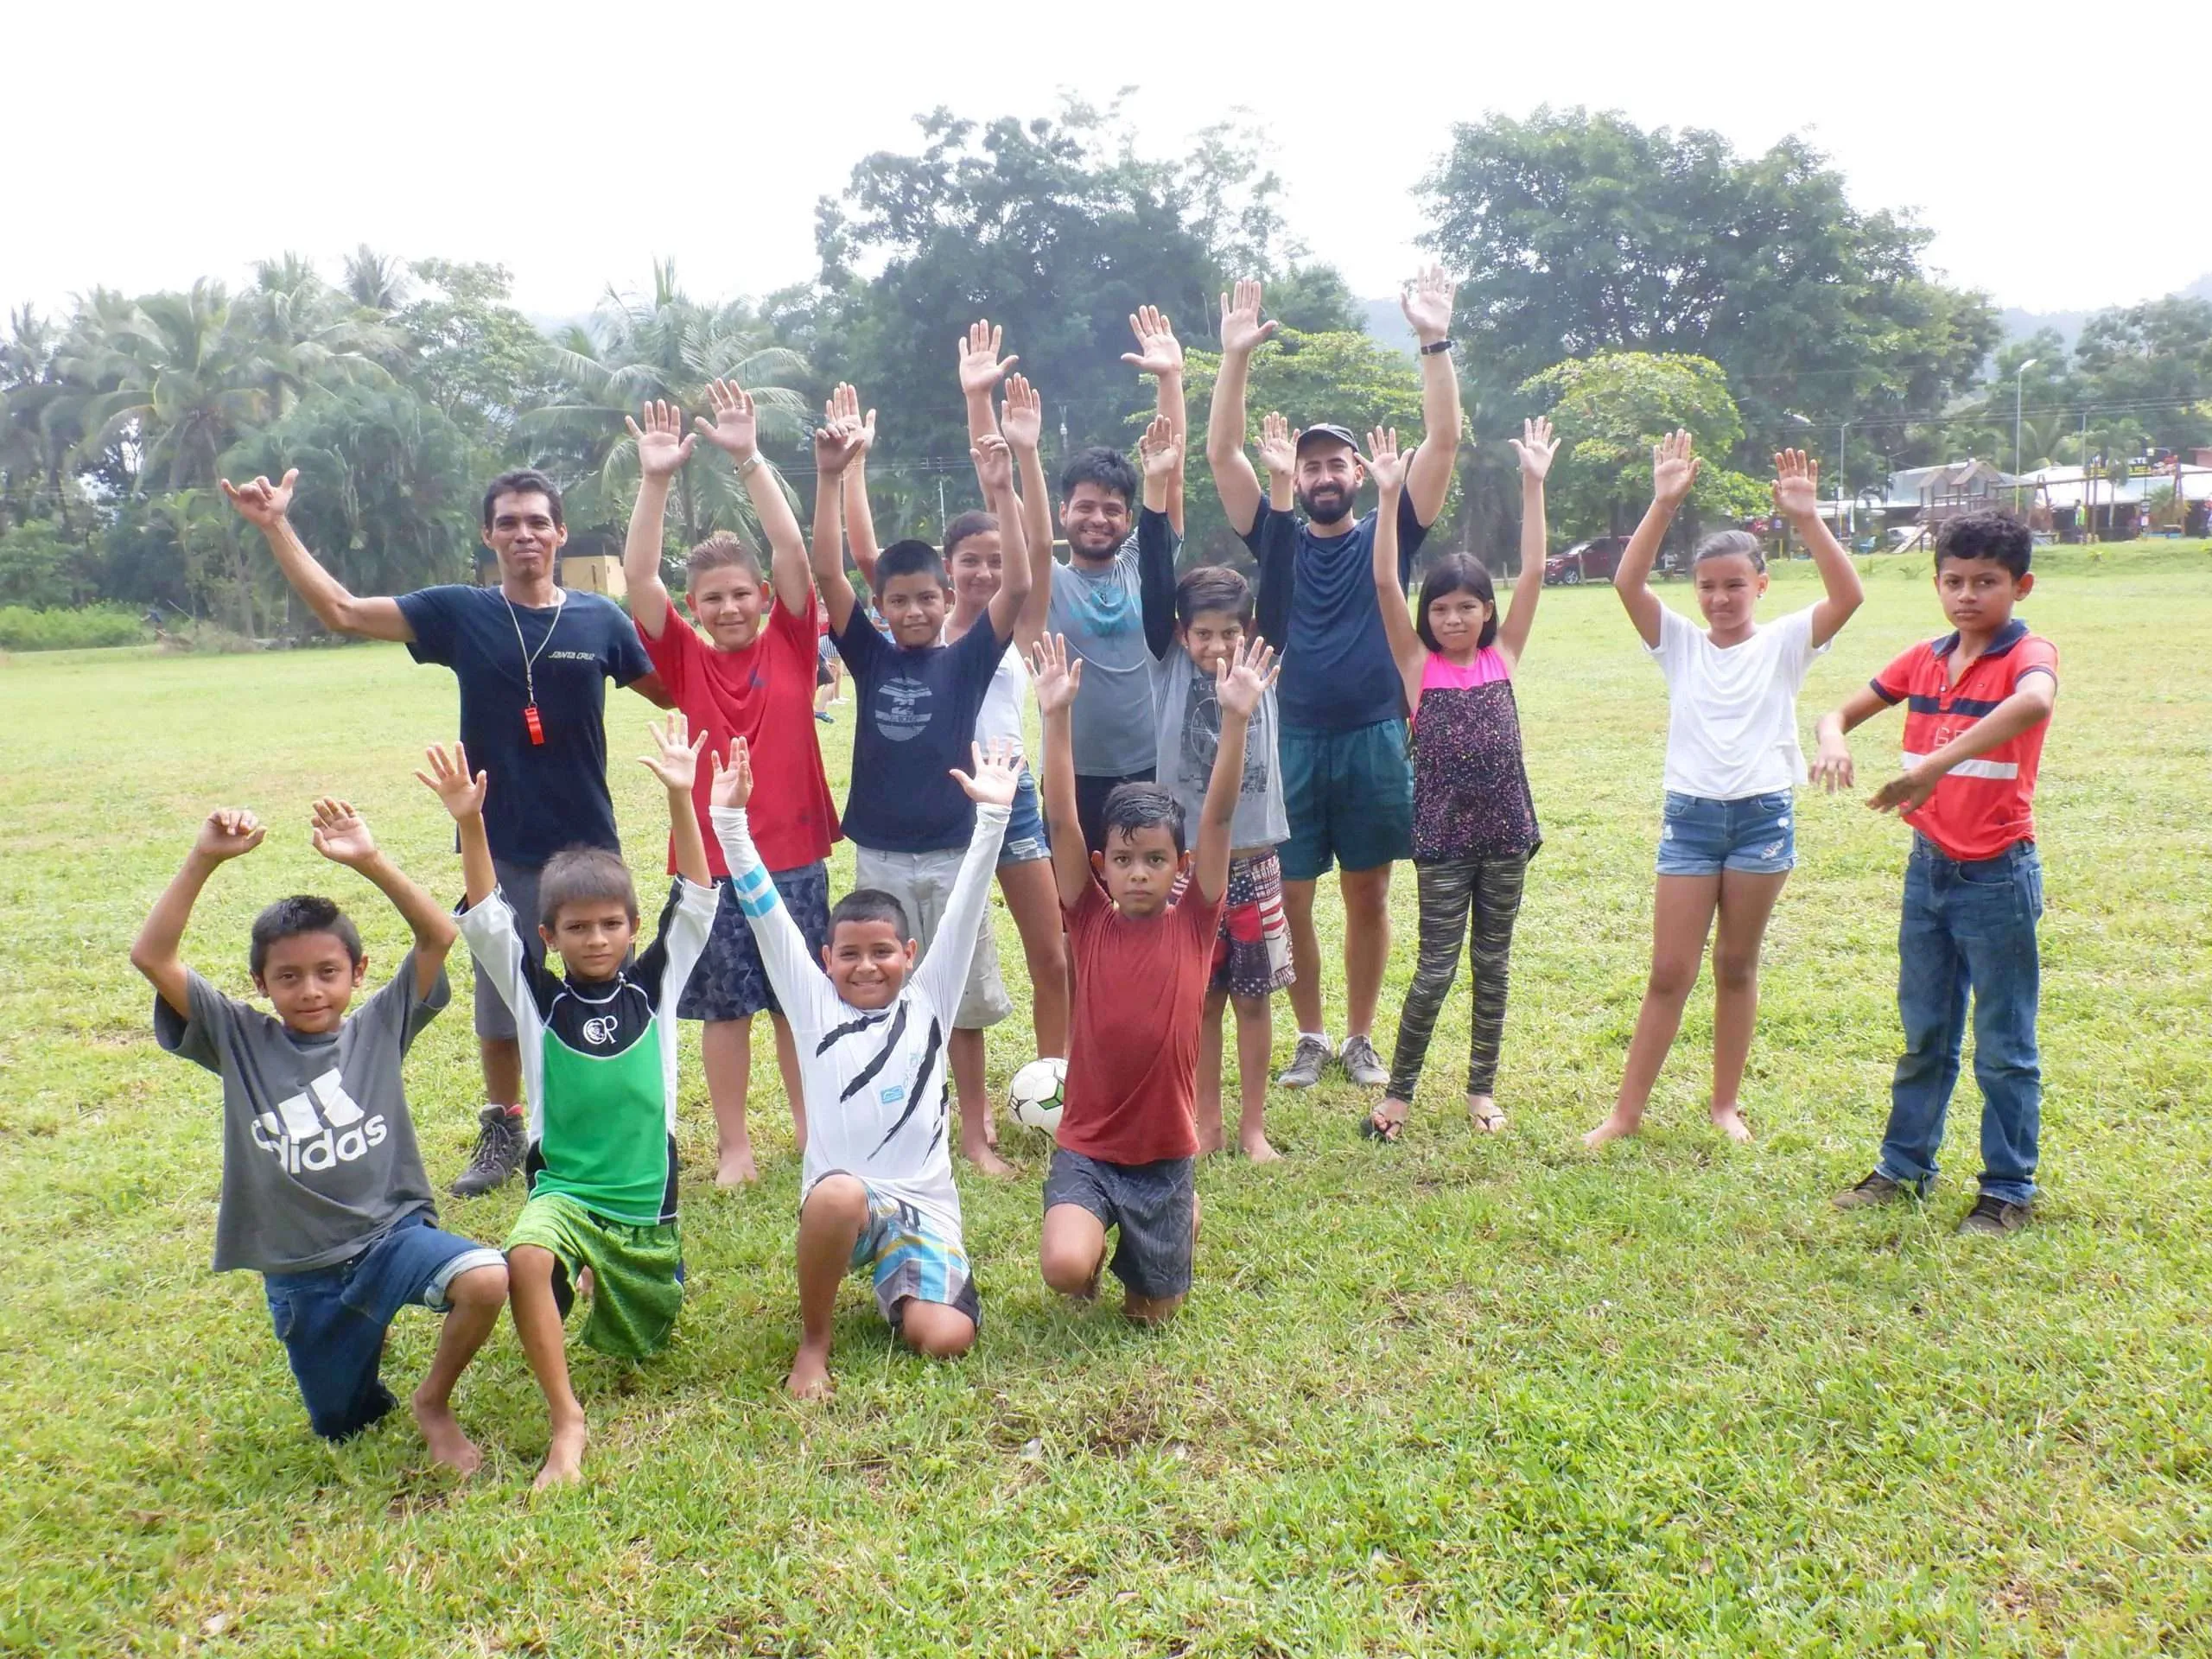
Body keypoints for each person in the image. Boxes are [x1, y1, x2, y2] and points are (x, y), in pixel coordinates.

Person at [220, 465, 658, 1199]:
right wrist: (276, 526)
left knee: (601, 985)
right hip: (499, 840)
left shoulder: (599, 620)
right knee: (498, 997)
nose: (525, 534)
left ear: (560, 532)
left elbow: (675, 686)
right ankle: (505, 1123)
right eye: (509, 522)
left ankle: (607, 1116)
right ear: (489, 535)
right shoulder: (461, 613)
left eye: (537, 521)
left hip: (589, 841)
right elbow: (343, 612)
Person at [131, 798, 507, 1471]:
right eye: (289, 977)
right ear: (260, 984)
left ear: (358, 974)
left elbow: (436, 938)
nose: (310, 990)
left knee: (485, 1279)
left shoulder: (381, 1025)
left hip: (392, 1235)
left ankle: (432, 1401)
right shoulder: (236, 1037)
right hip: (303, 1274)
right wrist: (204, 858)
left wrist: (369, 859)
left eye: (328, 972)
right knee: (343, 1422)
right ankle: (362, 1337)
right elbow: (151, 955)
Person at [424, 715, 718, 1489]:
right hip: (563, 1191)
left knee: (641, 1342)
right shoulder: (537, 998)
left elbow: (694, 901)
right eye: (578, 928)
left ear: (629, 928)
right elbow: (489, 919)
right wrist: (470, 824)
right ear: (549, 936)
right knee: (526, 1254)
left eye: (612, 925)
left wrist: (683, 800)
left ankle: (607, 1275)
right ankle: (568, 1421)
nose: (597, 939)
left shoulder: (656, 987)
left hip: (646, 1206)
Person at [1205, 270, 1464, 1090]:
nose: (1319, 475)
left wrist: (1433, 341)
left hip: (1378, 736)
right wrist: (1234, 360)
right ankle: (1310, 1035)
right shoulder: (1274, 537)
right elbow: (1221, 454)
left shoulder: (1392, 529)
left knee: (1369, 891)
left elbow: (1445, 441)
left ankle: (1359, 1037)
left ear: (1358, 472)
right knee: (1297, 895)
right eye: (1309, 463)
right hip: (1290, 739)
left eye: (1334, 463)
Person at [709, 734, 1018, 1397]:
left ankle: (901, 1278)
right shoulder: (813, 1002)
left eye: (883, 952)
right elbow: (764, 910)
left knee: (946, 1340)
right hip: (842, 1207)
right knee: (841, 1191)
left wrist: (992, 817)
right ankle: (814, 1341)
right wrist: (729, 821)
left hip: (924, 1210)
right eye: (849, 954)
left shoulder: (931, 998)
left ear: (910, 952)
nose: (867, 966)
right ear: (825, 960)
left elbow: (964, 909)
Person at [1584, 439, 1865, 1148]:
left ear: (1761, 586)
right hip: (1692, 821)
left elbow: (1848, 595)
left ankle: (1724, 1106)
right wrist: (1664, 502)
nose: (1719, 598)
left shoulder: (1786, 642)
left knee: (1737, 965)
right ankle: (1625, 1115)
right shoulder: (1679, 643)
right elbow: (1627, 583)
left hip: (1763, 818)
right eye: (1707, 586)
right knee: (1668, 972)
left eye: (1734, 585)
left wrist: (1807, 518)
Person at [621, 384, 840, 1187]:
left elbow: (791, 552)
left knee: (796, 1002)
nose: (731, 607)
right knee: (724, 1009)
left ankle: (817, 1132)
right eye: (712, 598)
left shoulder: (791, 636)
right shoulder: (683, 657)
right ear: (695, 608)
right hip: (711, 863)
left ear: (763, 597)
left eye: (741, 593)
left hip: (794, 856)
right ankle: (734, 1147)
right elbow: (640, 577)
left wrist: (749, 459)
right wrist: (656, 479)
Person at [1816, 512, 2058, 1235]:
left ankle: (2009, 1187)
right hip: (1929, 875)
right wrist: (1832, 740)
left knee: (2005, 1044)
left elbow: (2036, 702)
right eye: (1953, 581)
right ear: (1936, 583)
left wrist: (1935, 765)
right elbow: (1837, 712)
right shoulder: (1924, 658)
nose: (1967, 595)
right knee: (1926, 1031)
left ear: (2021, 585)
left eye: (1987, 582)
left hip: (1997, 877)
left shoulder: (2028, 654)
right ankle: (1904, 1168)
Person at [814, 391, 1033, 1179]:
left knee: (962, 1004)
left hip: (954, 854)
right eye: (898, 600)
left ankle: (975, 1135)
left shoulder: (967, 658)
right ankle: (897, 1119)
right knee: (884, 994)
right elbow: (824, 571)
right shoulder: (868, 657)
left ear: (948, 603)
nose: (912, 611)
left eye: (926, 599)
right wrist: (831, 478)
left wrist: (1003, 493)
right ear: (882, 606)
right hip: (882, 857)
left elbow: (1018, 584)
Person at [1032, 632, 1273, 1323]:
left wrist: (1236, 719)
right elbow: (1061, 819)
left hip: (1165, 1153)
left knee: (1150, 1316)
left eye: (1156, 861)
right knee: (1067, 1270)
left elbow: (1220, 813)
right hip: (1088, 1147)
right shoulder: (1088, 915)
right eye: (1125, 859)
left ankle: (1177, 1214)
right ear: (1104, 864)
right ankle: (1092, 1230)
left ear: (1181, 866)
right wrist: (1056, 715)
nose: (1139, 873)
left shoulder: (1196, 918)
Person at [838, 372, 1071, 1071]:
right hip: (936, 807)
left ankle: (1054, 1079)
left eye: (999, 561)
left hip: (1013, 802)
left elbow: (1032, 569)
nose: (985, 572)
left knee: (1049, 951)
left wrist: (1009, 466)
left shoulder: (1011, 624)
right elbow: (862, 557)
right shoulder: (924, 634)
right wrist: (853, 466)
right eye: (972, 560)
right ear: (948, 570)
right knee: (928, 952)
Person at [1363, 419, 1557, 1142]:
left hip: (1508, 837)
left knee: (1493, 965)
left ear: (1487, 612)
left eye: (1466, 607)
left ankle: (1481, 1089)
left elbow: (1533, 570)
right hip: (1443, 842)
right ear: (1427, 616)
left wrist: (1533, 485)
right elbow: (1385, 578)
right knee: (1436, 969)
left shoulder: (1504, 655)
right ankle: (1401, 1095)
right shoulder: (1418, 667)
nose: (1452, 618)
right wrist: (1388, 498)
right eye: (1441, 609)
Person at [957, 313, 1185, 854]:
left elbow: (1168, 470)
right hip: (1075, 776)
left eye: (1112, 509)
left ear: (1129, 519)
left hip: (1155, 768)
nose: (1098, 518)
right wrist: (977, 399)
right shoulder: (1046, 585)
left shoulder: (1144, 565)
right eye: (1085, 507)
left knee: (1150, 908)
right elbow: (998, 491)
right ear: (1063, 513)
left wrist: (1170, 380)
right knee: (1081, 919)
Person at [1133, 417, 1290, 1162]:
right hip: (1186, 865)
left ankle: (1253, 1127)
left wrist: (1282, 492)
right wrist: (1156, 490)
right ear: (1181, 633)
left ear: (1249, 632)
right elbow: (1157, 580)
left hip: (1252, 857)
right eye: (1204, 633)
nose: (1219, 647)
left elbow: (1283, 578)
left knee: (1255, 999)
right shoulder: (1167, 660)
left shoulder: (1263, 659)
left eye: (1230, 632)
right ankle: (1205, 1122)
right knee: (1199, 1000)